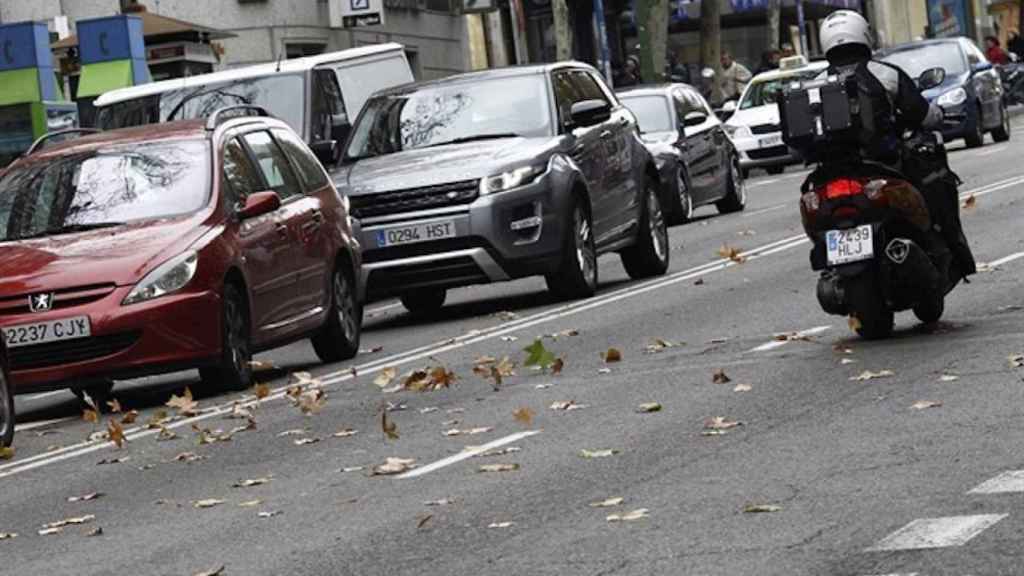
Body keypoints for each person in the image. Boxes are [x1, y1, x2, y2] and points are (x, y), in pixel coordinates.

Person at [817, 9, 975, 278]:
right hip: (886, 163)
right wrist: (938, 115)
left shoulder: (815, 84)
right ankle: (954, 253)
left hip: (831, 171)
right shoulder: (884, 74)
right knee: (937, 184)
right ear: (864, 34)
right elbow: (922, 113)